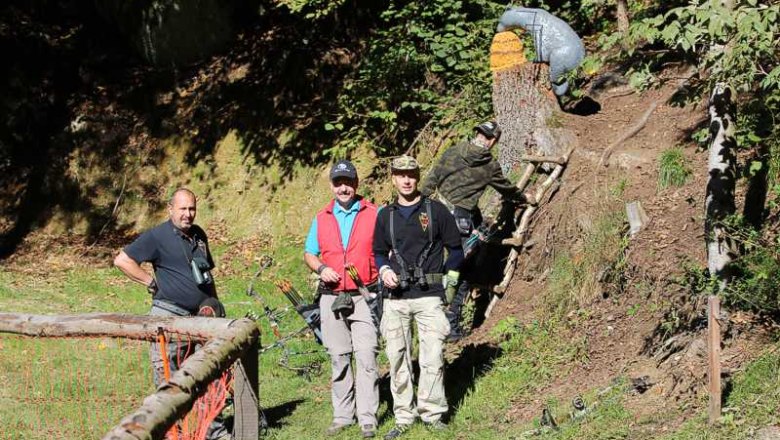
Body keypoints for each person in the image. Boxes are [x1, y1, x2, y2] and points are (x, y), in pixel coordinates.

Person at [114, 188, 230, 440]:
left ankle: (216, 434)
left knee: (208, 377)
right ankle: (175, 436)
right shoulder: (156, 236)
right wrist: (150, 282)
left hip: (202, 319)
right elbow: (122, 260)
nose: (188, 214)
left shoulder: (199, 235)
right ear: (170, 209)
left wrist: (216, 307)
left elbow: (207, 275)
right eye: (183, 209)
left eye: (192, 209)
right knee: (169, 385)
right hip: (168, 319)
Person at [373, 155, 463, 439]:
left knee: (433, 356)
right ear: (393, 178)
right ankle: (403, 416)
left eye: (411, 174)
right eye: (400, 175)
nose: (406, 179)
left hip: (430, 297)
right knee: (397, 357)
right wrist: (384, 268)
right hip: (395, 298)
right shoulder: (385, 215)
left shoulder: (436, 211)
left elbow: (456, 249)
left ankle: (432, 413)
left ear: (417, 175)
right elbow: (377, 252)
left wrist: (448, 276)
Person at [420, 120, 528, 342]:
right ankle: (450, 323)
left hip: (435, 213)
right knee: (461, 269)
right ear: (492, 141)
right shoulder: (489, 165)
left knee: (434, 264)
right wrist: (522, 197)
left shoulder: (453, 151)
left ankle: (427, 317)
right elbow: (506, 188)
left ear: (477, 134)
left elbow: (430, 181)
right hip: (460, 220)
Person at [304, 159, 381, 439]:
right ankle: (342, 415)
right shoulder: (321, 217)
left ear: (356, 184)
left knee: (367, 355)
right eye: (338, 183)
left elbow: (387, 250)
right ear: (332, 186)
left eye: (348, 182)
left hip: (365, 294)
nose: (343, 188)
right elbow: (309, 253)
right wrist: (322, 269)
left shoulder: (375, 213)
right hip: (331, 297)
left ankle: (368, 417)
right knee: (338, 358)